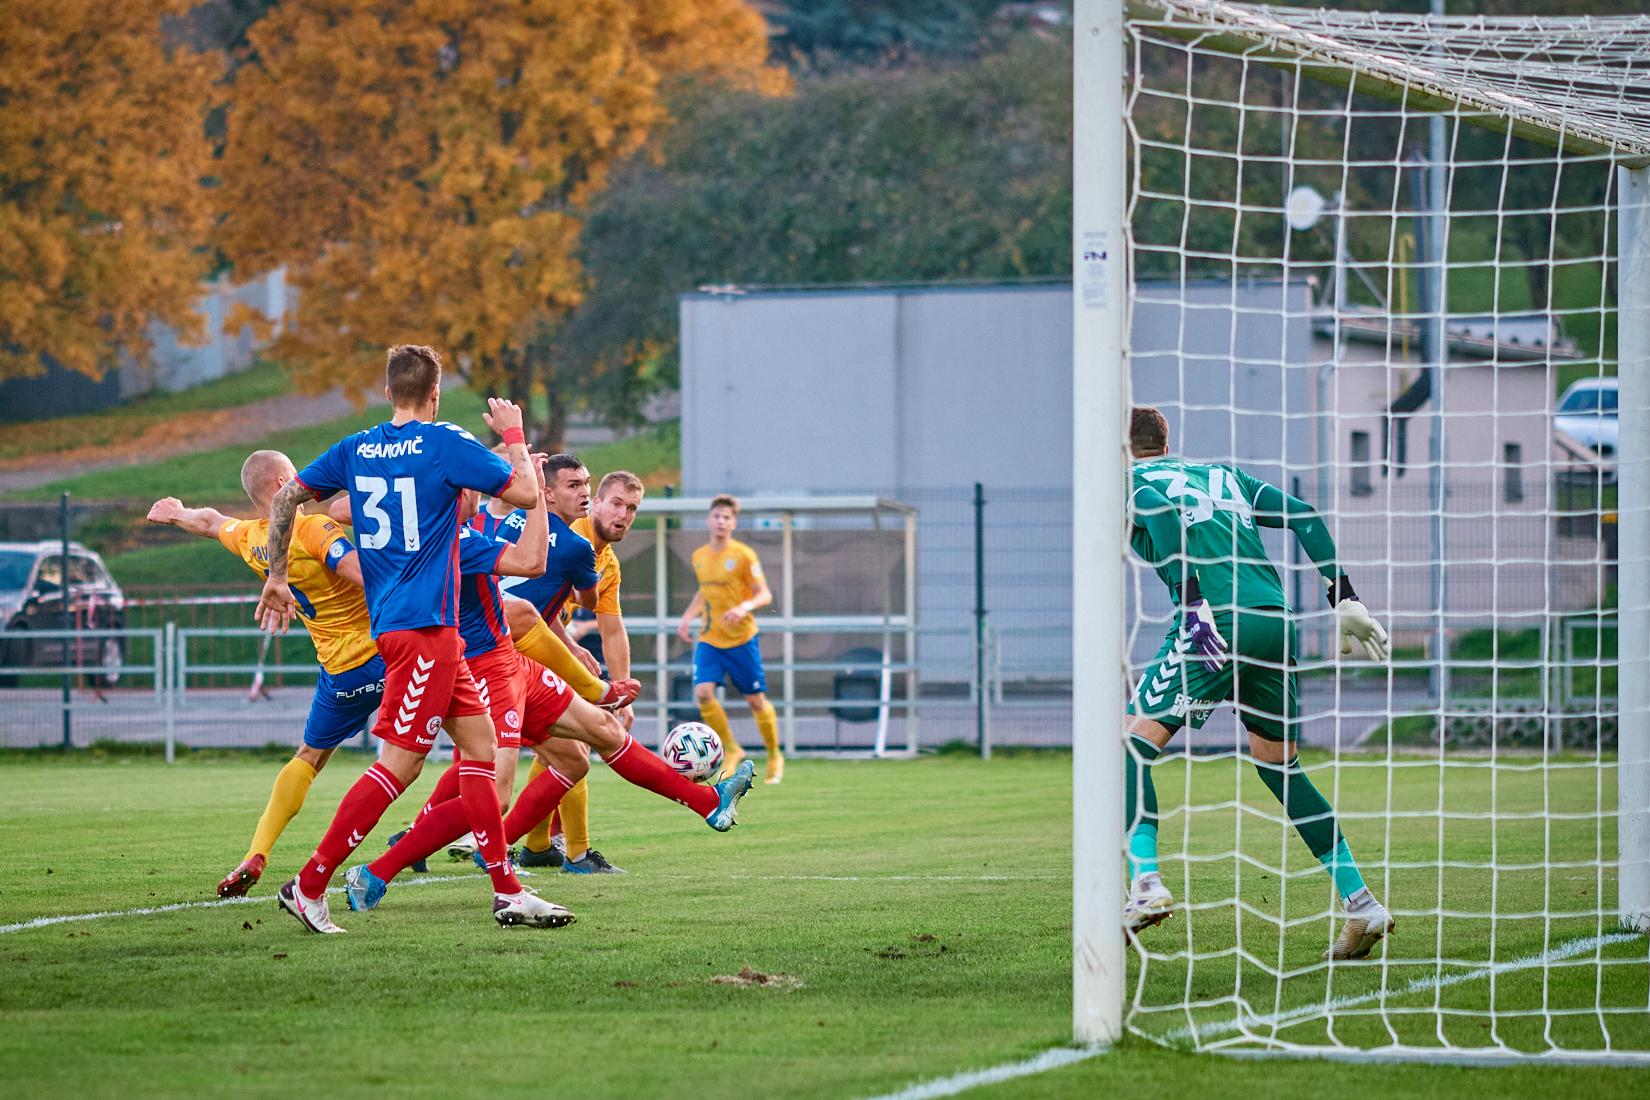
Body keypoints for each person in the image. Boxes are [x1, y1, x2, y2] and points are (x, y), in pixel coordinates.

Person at [256, 343, 565, 933]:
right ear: (435, 394)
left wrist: (276, 574)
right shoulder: (444, 442)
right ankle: (310, 883)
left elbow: (289, 496)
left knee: (480, 750)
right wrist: (514, 435)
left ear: (388, 391)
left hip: (419, 629)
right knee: (399, 768)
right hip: (421, 630)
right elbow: (527, 495)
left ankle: (507, 891)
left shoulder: (355, 447)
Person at [1122, 406, 1395, 961]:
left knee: (1127, 749)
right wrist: (1343, 595)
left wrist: (1192, 601)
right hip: (1274, 623)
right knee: (1280, 767)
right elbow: (1304, 515)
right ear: (1166, 442)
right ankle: (1361, 903)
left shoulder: (1129, 480)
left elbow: (1158, 510)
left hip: (1212, 623)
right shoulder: (1224, 475)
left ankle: (1146, 883)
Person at [146, 452, 384, 899]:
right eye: (296, 476)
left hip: (340, 673)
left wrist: (176, 513)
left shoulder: (253, 539)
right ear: (281, 483)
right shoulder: (315, 529)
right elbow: (365, 574)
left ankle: (256, 853)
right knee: (463, 740)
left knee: (309, 757)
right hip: (387, 657)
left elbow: (211, 522)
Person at [516, 469, 647, 874]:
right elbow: (531, 605)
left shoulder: (608, 564)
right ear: (597, 502)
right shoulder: (568, 535)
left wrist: (620, 695)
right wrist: (571, 648)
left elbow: (613, 629)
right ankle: (573, 853)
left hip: (537, 648)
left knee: (562, 747)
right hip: (513, 647)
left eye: (632, 508)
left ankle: (537, 846)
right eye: (617, 503)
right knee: (573, 744)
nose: (623, 515)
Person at [677, 495, 782, 784]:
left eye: (726, 517)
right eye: (717, 516)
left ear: (733, 523)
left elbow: (764, 594)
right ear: (708, 520)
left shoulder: (744, 555)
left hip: (741, 639)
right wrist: (687, 617)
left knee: (756, 701)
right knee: (702, 693)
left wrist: (743, 607)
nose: (721, 521)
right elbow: (704, 591)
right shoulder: (699, 556)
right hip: (710, 638)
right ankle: (732, 748)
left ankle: (774, 754)